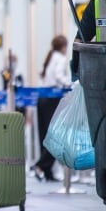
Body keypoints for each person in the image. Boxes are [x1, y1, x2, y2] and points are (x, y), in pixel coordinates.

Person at [32, 35, 70, 182]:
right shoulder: (60, 58)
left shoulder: (50, 57)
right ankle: (41, 165)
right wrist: (69, 84)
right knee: (54, 135)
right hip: (52, 99)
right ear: (63, 46)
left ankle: (47, 171)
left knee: (45, 135)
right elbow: (59, 76)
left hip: (42, 98)